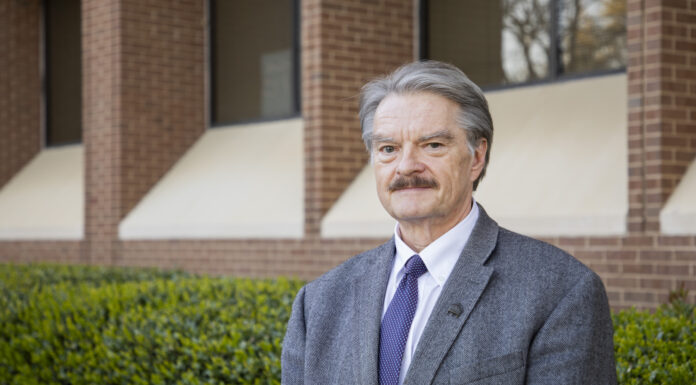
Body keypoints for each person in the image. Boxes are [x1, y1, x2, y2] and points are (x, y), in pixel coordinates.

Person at [281, 61, 616, 384]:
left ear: (477, 157)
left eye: (433, 145)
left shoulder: (560, 292)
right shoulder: (318, 303)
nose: (406, 166)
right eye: (388, 149)